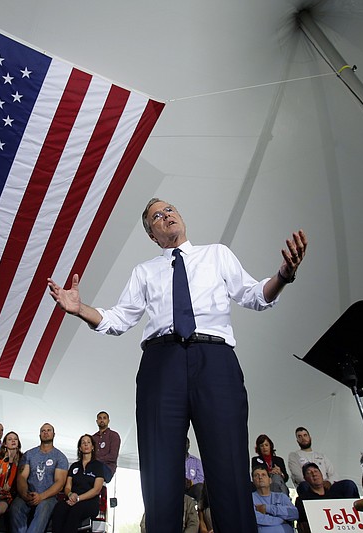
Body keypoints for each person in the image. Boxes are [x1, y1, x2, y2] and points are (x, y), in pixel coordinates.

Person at [48, 198, 307, 532]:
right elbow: (118, 319)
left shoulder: (217, 254)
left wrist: (284, 275)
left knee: (228, 467)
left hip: (215, 361)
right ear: (152, 235)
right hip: (161, 363)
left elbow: (255, 295)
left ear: (181, 218)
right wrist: (81, 308)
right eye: (156, 216)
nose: (166, 215)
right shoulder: (144, 271)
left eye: (170, 209)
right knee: (160, 472)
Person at [9, 423, 69, 533]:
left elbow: (59, 483)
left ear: (53, 434)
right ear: (39, 435)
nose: (46, 432)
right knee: (15, 508)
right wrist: (24, 494)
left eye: (48, 430)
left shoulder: (60, 457)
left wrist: (41, 496)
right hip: (28, 494)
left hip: (48, 497)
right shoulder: (29, 454)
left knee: (43, 508)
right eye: (43, 431)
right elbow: (21, 477)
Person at [51, 435, 105, 533]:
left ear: (92, 447)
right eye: (83, 442)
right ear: (80, 448)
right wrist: (71, 495)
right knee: (59, 508)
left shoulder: (98, 466)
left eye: (88, 442)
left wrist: (78, 498)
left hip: (90, 502)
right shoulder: (74, 466)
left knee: (76, 510)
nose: (86, 444)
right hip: (73, 499)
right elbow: (67, 487)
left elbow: (96, 489)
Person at [294, 463, 358, 529]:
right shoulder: (302, 500)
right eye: (309, 473)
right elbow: (303, 524)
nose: (314, 474)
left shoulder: (336, 496)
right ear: (305, 478)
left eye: (316, 471)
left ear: (321, 474)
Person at [251, 465, 298, 533]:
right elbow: (255, 518)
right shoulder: (250, 499)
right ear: (253, 481)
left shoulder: (282, 497)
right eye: (256, 475)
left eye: (263, 475)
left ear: (270, 480)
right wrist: (282, 519)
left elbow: (294, 514)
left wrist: (267, 508)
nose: (260, 477)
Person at [92, 411, 120, 483]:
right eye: (100, 418)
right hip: (93, 467)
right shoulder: (93, 438)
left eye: (104, 418)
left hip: (107, 468)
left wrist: (95, 461)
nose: (102, 420)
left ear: (108, 421)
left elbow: (113, 456)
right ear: (97, 421)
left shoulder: (114, 435)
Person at [185, 437, 205, 502]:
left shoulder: (196, 461)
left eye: (186, 443)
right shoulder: (173, 461)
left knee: (200, 487)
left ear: (189, 445)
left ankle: (200, 510)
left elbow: (201, 479)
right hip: (177, 489)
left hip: (191, 489)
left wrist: (191, 482)